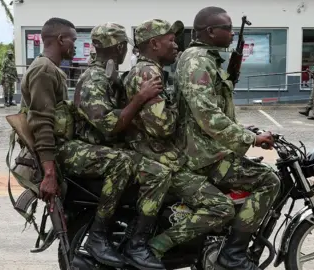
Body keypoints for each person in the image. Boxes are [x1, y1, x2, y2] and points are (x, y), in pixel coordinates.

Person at [19, 18, 136, 268]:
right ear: (61, 39)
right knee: (121, 163)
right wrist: (49, 172)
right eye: (74, 39)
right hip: (58, 151)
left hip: (63, 146)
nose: (77, 45)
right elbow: (41, 123)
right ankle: (98, 235)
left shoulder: (53, 69)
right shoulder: (43, 70)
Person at [123, 18, 237, 269]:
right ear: (154, 43)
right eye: (171, 40)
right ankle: (152, 246)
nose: (177, 46)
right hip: (157, 158)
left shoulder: (154, 71)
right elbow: (162, 127)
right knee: (221, 207)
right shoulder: (147, 73)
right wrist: (180, 109)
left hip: (160, 156)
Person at [174, 7, 280, 270]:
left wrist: (246, 130)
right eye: (227, 28)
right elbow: (207, 115)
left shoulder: (207, 59)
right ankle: (233, 254)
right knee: (269, 180)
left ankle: (222, 241)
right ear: (210, 31)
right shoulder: (197, 61)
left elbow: (215, 110)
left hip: (209, 148)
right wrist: (251, 140)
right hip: (204, 156)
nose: (232, 33)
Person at [74, 22, 175, 269]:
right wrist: (141, 98)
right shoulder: (93, 78)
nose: (126, 52)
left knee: (154, 166)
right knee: (152, 172)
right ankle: (121, 240)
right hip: (88, 147)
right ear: (118, 47)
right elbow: (109, 125)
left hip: (104, 146)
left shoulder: (110, 75)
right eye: (124, 47)